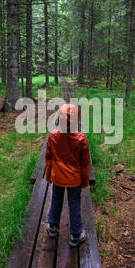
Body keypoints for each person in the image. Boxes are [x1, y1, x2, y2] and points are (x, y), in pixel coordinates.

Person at [45, 103, 91, 247]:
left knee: (56, 200)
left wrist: (48, 176)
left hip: (57, 177)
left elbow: (48, 158)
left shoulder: (52, 136)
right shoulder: (81, 139)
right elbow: (85, 164)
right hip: (74, 179)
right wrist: (85, 181)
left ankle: (52, 227)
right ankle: (75, 235)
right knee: (74, 204)